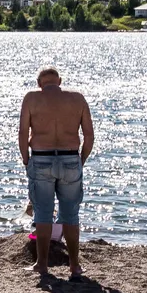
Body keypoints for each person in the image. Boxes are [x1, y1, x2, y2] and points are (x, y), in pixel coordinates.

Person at [18, 66, 94, 281]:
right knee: (70, 214)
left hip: (41, 157)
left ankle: (41, 264)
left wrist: (26, 159)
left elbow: (23, 132)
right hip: (70, 158)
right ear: (59, 81)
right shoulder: (77, 98)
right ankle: (74, 265)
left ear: (39, 83)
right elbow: (89, 135)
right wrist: (81, 160)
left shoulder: (31, 98)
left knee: (42, 214)